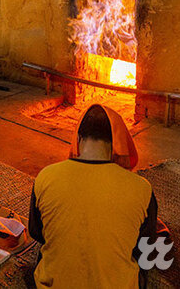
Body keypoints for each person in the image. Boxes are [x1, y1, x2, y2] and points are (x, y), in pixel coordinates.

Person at [29, 104, 157, 288]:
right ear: (116, 142)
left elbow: (37, 232)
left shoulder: (45, 177)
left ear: (78, 138)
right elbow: (146, 249)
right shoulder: (142, 189)